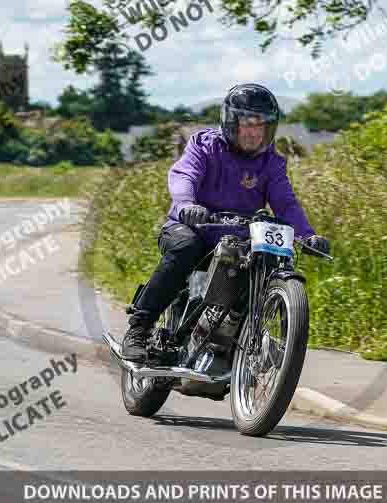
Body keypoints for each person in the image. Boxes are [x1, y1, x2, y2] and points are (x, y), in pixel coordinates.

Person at [121, 83, 330, 362]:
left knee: (268, 262)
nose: (255, 132)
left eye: (263, 126)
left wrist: (306, 235)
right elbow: (184, 175)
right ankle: (139, 329)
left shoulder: (272, 163)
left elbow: (286, 203)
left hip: (237, 239)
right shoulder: (204, 145)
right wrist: (186, 205)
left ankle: (247, 336)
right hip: (193, 227)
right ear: (231, 122)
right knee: (185, 247)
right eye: (248, 124)